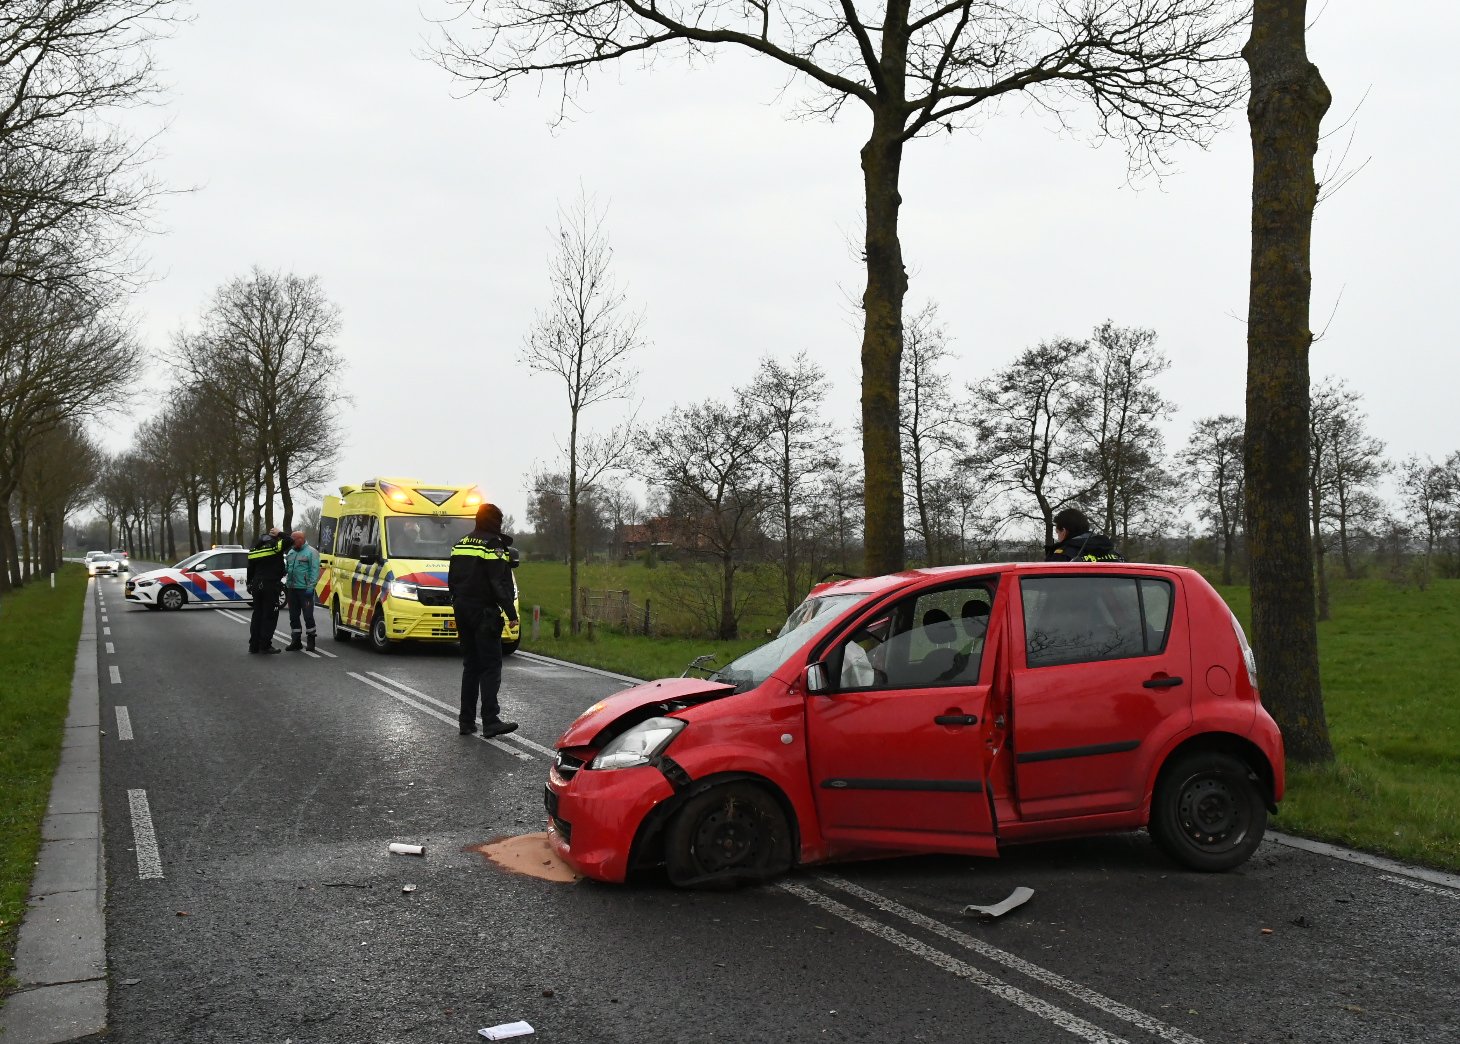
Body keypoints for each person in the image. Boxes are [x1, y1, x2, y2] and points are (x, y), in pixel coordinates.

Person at [448, 503, 519, 738]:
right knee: (490, 665)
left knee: (471, 666)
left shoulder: (461, 544)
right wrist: (511, 614)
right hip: (484, 612)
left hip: (461, 609)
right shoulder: (493, 545)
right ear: (495, 522)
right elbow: (498, 583)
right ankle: (490, 720)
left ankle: (466, 721)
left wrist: (458, 601)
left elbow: (452, 581)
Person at [246, 526, 287, 654]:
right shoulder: (275, 547)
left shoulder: (254, 549)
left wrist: (249, 584)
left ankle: (254, 645)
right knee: (270, 615)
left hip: (257, 584)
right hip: (270, 584)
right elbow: (290, 540)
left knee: (257, 614)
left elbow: (250, 569)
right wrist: (280, 533)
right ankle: (265, 644)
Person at [283, 529, 321, 652]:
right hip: (292, 589)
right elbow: (287, 568)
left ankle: (311, 640)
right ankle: (296, 641)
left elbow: (315, 571)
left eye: (293, 540)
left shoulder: (311, 552)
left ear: (301, 539)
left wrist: (311, 587)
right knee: (293, 616)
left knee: (308, 616)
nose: (292, 542)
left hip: (305, 590)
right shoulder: (291, 553)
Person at [1045, 508, 1124, 563]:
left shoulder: (1062, 555)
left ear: (1064, 531)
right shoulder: (1113, 554)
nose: (1058, 537)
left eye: (1057, 532)